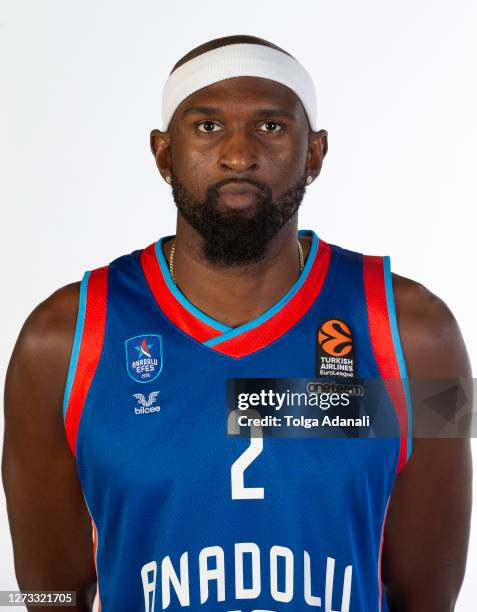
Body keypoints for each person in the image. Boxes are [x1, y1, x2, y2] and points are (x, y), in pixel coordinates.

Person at [2, 34, 472, 612]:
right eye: (207, 127)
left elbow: (428, 594)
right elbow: (51, 595)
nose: (238, 154)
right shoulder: (61, 343)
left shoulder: (417, 335)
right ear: (162, 153)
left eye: (271, 127)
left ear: (316, 152)